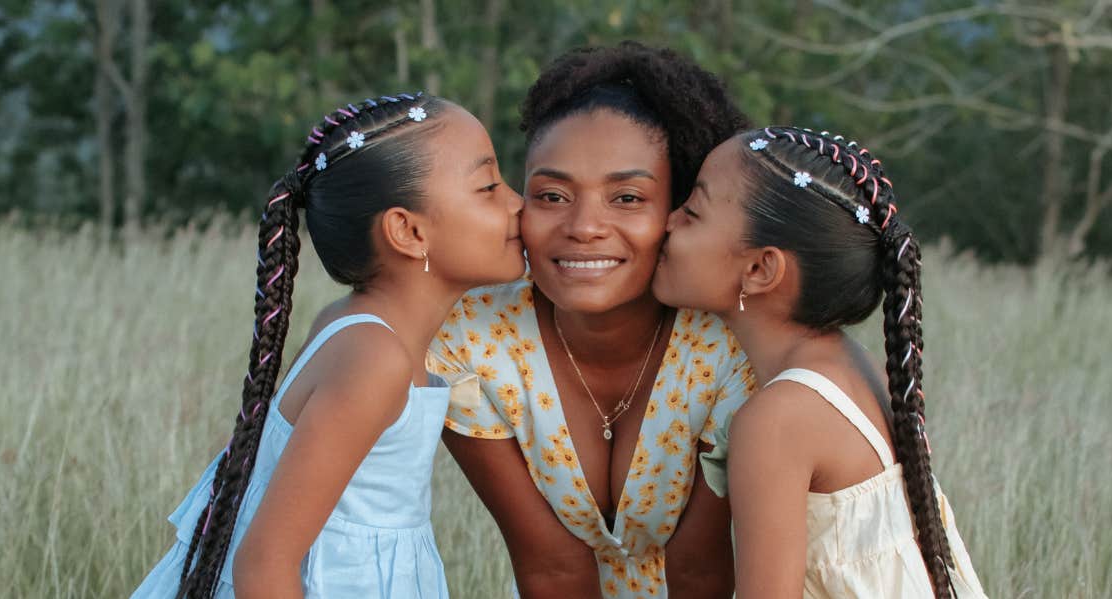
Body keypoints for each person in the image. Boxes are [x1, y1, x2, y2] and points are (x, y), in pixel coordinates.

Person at [131, 93, 526, 598]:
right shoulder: (373, 359)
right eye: (489, 186)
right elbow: (264, 567)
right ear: (408, 230)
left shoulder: (355, 326)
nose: (517, 202)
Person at [428, 42, 753, 598]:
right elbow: (549, 564)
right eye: (552, 195)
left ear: (679, 211)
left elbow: (702, 572)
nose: (584, 227)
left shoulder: (730, 346)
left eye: (627, 197)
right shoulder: (471, 339)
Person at [652, 126, 988, 598]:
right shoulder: (856, 365)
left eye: (692, 211)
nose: (667, 222)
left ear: (760, 269)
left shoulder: (778, 419)